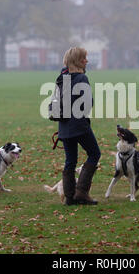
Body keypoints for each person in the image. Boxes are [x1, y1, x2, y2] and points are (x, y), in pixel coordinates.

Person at [58, 47, 101, 205]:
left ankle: (69, 197)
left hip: (64, 126)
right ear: (78, 61)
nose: (87, 61)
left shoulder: (62, 77)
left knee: (70, 160)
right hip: (79, 125)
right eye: (84, 58)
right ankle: (81, 192)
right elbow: (88, 103)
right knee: (94, 153)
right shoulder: (81, 78)